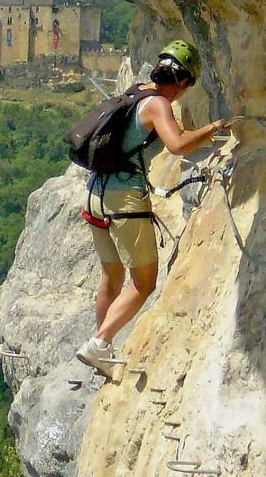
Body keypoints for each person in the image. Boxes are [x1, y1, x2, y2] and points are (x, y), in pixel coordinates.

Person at [76, 40, 228, 377]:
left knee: (111, 276)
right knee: (144, 282)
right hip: (123, 200)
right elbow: (176, 145)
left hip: (96, 193)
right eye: (186, 86)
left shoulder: (136, 92)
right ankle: (99, 343)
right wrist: (212, 129)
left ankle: (103, 349)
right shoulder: (159, 104)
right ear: (182, 81)